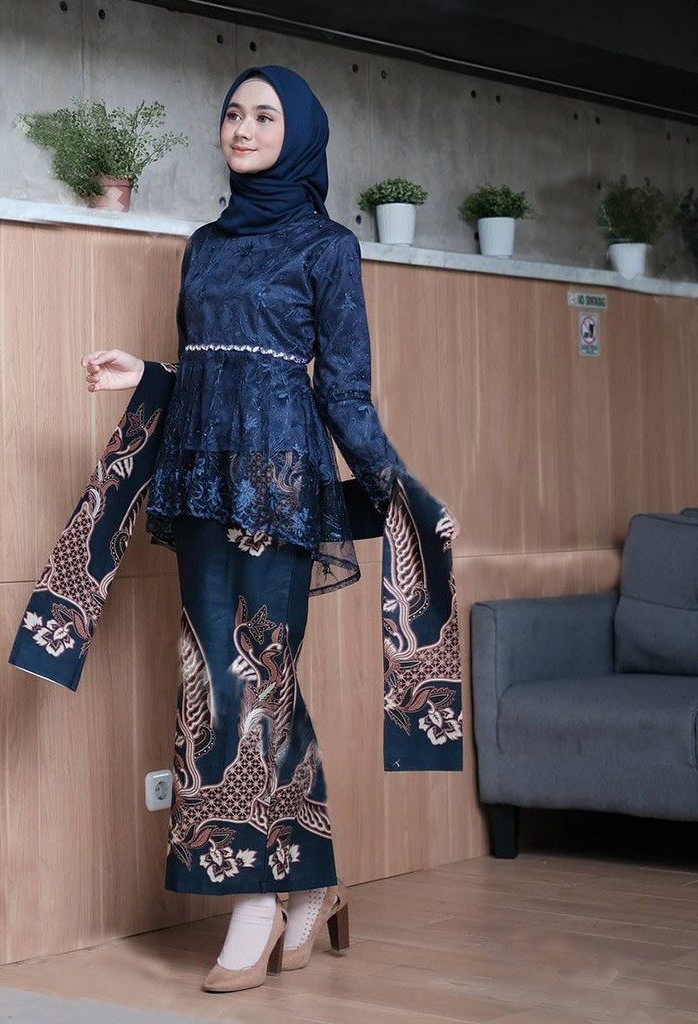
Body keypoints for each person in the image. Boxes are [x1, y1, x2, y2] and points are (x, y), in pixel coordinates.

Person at [80, 66, 456, 994]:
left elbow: (344, 390)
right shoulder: (204, 246)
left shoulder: (329, 248)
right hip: (202, 484)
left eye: (265, 116)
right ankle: (311, 882)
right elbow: (214, 370)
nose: (242, 128)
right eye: (233, 113)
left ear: (302, 135)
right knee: (221, 680)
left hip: (281, 491)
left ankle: (253, 900)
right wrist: (148, 378)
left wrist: (400, 490)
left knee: (251, 676)